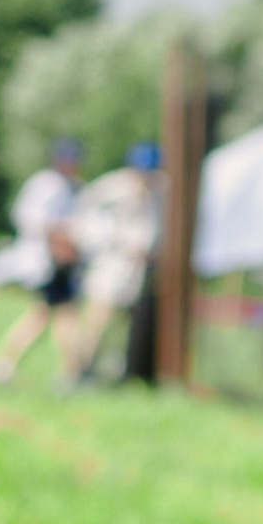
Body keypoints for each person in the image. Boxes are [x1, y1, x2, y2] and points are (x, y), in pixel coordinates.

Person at [0, 136, 88, 385]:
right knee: (59, 315)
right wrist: (61, 243)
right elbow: (36, 221)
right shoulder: (47, 184)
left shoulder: (70, 186)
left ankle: (7, 364)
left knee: (47, 316)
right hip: (48, 261)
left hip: (58, 261)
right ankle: (69, 373)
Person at [69, 140, 162, 386]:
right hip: (111, 266)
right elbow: (84, 217)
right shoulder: (112, 188)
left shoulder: (160, 191)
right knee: (97, 321)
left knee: (126, 326)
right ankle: (78, 372)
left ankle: (115, 371)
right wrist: (107, 243)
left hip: (140, 271)